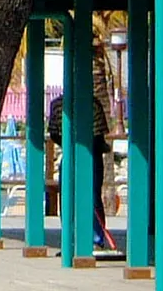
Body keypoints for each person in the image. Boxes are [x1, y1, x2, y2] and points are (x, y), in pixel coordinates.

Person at [48, 92, 114, 251]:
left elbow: (54, 134)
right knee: (89, 197)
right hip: (90, 154)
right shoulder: (93, 103)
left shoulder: (58, 104)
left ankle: (73, 240)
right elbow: (99, 136)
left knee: (71, 196)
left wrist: (70, 145)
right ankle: (94, 239)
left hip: (74, 153)